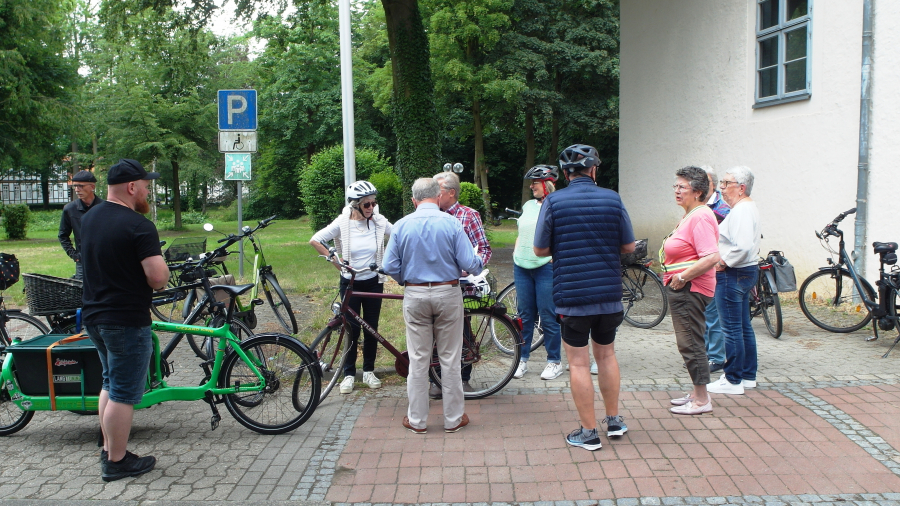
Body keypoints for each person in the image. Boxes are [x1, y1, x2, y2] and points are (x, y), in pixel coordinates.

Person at [533, 144, 635, 451]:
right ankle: (614, 421)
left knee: (578, 364)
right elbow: (629, 246)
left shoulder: (553, 202)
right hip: (608, 295)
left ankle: (589, 433)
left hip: (572, 297)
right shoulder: (613, 198)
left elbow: (539, 249)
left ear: (565, 174)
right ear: (593, 170)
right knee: (607, 356)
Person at [80, 159, 170, 481]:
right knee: (124, 392)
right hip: (126, 320)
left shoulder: (89, 219)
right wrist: (164, 271)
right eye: (145, 185)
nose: (147, 191)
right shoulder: (138, 225)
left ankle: (109, 449)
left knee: (109, 382)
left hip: (94, 316)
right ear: (132, 187)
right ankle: (117, 462)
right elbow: (157, 278)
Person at [382, 177, 483, 434]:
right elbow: (469, 262)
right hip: (447, 292)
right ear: (438, 197)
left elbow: (389, 265)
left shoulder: (401, 225)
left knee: (418, 359)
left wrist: (405, 280)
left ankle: (417, 421)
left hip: (415, 293)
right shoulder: (452, 223)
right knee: (450, 358)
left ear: (414, 200)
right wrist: (478, 264)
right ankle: (453, 419)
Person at [310, 180, 392, 394]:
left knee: (371, 327)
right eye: (367, 204)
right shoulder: (343, 222)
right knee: (351, 329)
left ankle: (369, 371)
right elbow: (316, 240)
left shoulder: (379, 221)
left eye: (374, 203)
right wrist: (337, 263)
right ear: (355, 205)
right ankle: (348, 373)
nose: (371, 208)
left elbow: (399, 235)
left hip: (373, 282)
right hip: (350, 283)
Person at [660, 166, 720, 415]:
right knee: (690, 341)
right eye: (675, 186)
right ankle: (697, 392)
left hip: (690, 288)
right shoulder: (691, 214)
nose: (677, 190)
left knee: (691, 343)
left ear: (697, 191)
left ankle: (702, 400)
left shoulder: (700, 216)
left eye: (682, 187)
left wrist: (682, 277)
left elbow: (711, 256)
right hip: (685, 287)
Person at [429, 171, 492, 399]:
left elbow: (484, 249)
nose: (434, 195)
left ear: (451, 193)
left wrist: (471, 268)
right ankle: (436, 380)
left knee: (461, 331)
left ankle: (463, 378)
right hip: (435, 282)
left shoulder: (468, 215)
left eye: (438, 190)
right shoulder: (430, 214)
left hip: (462, 284)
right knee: (433, 331)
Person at [707, 166, 761, 396]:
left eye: (726, 183)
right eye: (722, 182)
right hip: (744, 271)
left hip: (734, 273)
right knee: (743, 326)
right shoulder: (745, 207)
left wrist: (723, 262)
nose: (722, 187)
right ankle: (747, 375)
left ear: (741, 188)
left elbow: (743, 246)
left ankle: (733, 379)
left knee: (731, 329)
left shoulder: (741, 210)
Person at [512, 165, 563, 380]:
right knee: (524, 316)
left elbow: (563, 234)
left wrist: (554, 256)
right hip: (522, 266)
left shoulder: (557, 205)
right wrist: (516, 251)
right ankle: (522, 360)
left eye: (535, 183)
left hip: (544, 267)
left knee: (548, 316)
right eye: (531, 183)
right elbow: (521, 231)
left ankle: (554, 361)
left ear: (546, 184)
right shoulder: (528, 205)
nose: (531, 186)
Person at [700, 166, 730, 373]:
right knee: (701, 313)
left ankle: (716, 357)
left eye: (705, 181)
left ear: (713, 184)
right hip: (700, 266)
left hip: (716, 265)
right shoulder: (698, 205)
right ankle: (703, 354)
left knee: (713, 314)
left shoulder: (722, 208)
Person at [59, 170, 103, 280]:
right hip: (82, 261)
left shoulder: (105, 207)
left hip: (104, 260)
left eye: (81, 186)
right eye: (75, 186)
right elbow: (63, 235)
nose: (77, 189)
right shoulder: (70, 209)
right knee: (81, 288)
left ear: (92, 187)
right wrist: (74, 255)